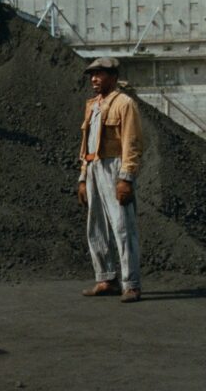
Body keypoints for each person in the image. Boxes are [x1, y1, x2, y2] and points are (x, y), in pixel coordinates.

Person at [76, 57, 144, 303]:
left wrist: (126, 178)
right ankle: (106, 278)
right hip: (94, 167)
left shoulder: (124, 104)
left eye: (100, 74)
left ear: (113, 77)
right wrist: (83, 177)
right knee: (96, 227)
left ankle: (131, 284)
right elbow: (87, 145)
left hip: (114, 167)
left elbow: (132, 143)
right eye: (92, 75)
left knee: (123, 228)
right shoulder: (93, 105)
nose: (94, 79)